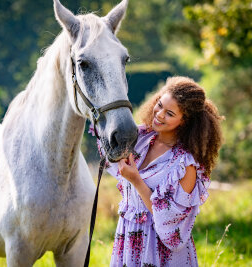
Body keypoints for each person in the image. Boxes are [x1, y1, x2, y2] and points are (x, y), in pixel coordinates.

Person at [94, 76, 223, 266]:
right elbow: (106, 135)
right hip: (127, 240)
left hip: (159, 252)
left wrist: (136, 180)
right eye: (160, 105)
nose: (159, 114)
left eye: (170, 113)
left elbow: (170, 223)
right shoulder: (141, 139)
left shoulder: (184, 165)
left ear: (185, 121)